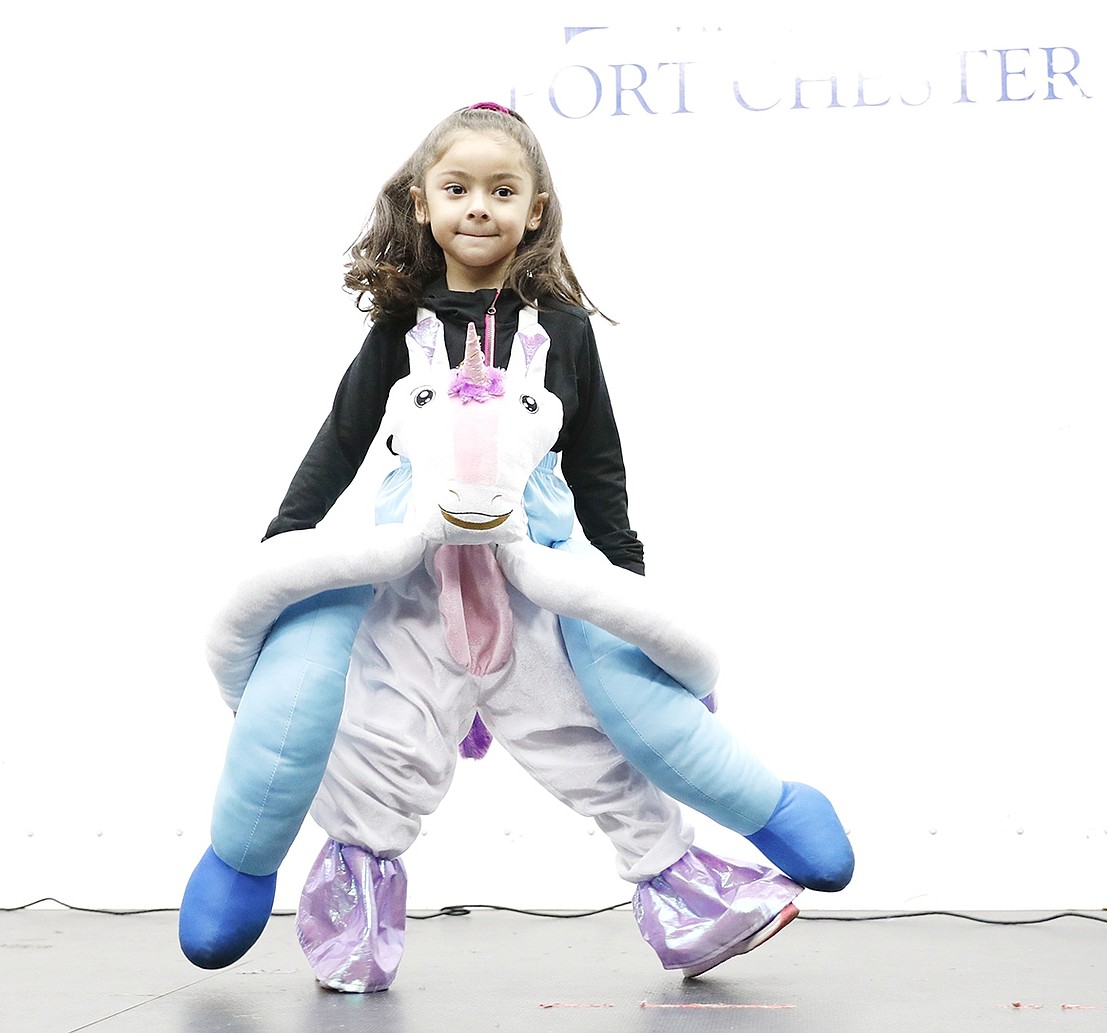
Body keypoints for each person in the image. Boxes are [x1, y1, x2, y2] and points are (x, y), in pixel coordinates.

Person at [180, 102, 848, 992]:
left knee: (589, 737)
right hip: (411, 580)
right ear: (423, 204)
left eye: (503, 190)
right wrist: (283, 546)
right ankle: (352, 933)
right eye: (457, 189)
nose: (479, 208)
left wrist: (624, 583)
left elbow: (599, 457)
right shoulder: (400, 324)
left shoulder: (564, 328)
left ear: (535, 209)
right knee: (386, 745)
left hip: (536, 577)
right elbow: (339, 438)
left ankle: (694, 911)